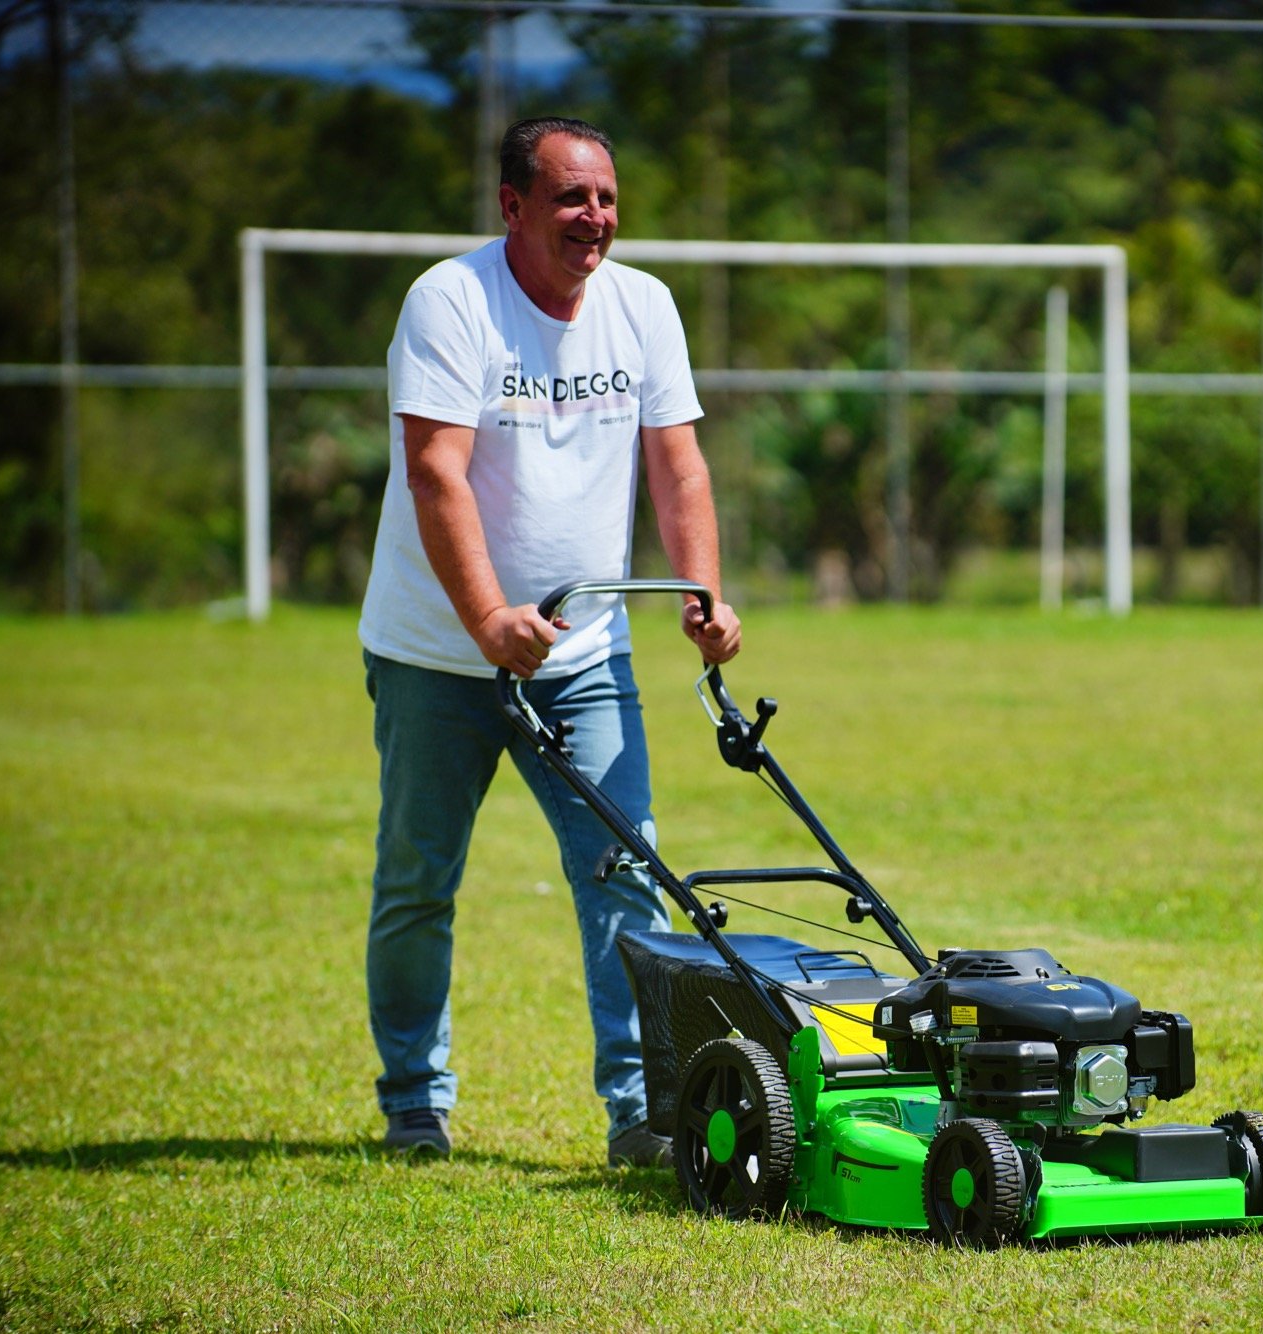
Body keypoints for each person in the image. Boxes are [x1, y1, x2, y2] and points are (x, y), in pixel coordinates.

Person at [356, 116, 740, 1165]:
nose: (596, 218)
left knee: (625, 869)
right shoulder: (451, 300)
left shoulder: (643, 305)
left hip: (582, 655)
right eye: (572, 197)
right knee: (418, 880)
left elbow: (678, 468)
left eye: (607, 197)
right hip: (437, 651)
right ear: (513, 205)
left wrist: (700, 592)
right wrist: (487, 620)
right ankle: (413, 1102)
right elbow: (436, 470)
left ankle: (640, 1111)